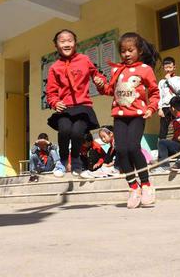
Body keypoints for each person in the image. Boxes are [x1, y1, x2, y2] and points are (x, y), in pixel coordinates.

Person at [102, 32, 160, 209]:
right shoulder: (116, 70)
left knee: (133, 147)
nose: (126, 54)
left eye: (130, 50)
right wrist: (99, 83)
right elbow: (110, 90)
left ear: (139, 51)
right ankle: (133, 187)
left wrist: (151, 108)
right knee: (121, 149)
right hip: (119, 116)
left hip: (137, 115)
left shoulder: (145, 69)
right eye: (123, 51)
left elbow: (155, 92)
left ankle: (146, 185)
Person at [45, 29, 106, 176]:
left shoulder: (84, 60)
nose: (67, 44)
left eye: (70, 40)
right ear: (56, 45)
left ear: (75, 43)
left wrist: (100, 81)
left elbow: (97, 74)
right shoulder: (54, 68)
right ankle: (63, 160)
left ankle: (77, 159)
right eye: (62, 41)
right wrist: (55, 102)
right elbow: (51, 93)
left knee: (78, 132)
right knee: (65, 130)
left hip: (83, 107)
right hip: (65, 108)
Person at [157, 57, 180, 140]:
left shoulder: (178, 79)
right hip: (165, 107)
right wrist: (159, 108)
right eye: (166, 67)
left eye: (170, 67)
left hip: (176, 107)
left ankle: (177, 145)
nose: (168, 69)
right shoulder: (161, 82)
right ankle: (162, 147)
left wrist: (169, 79)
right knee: (163, 129)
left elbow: (177, 89)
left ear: (174, 67)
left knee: (178, 126)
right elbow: (159, 95)